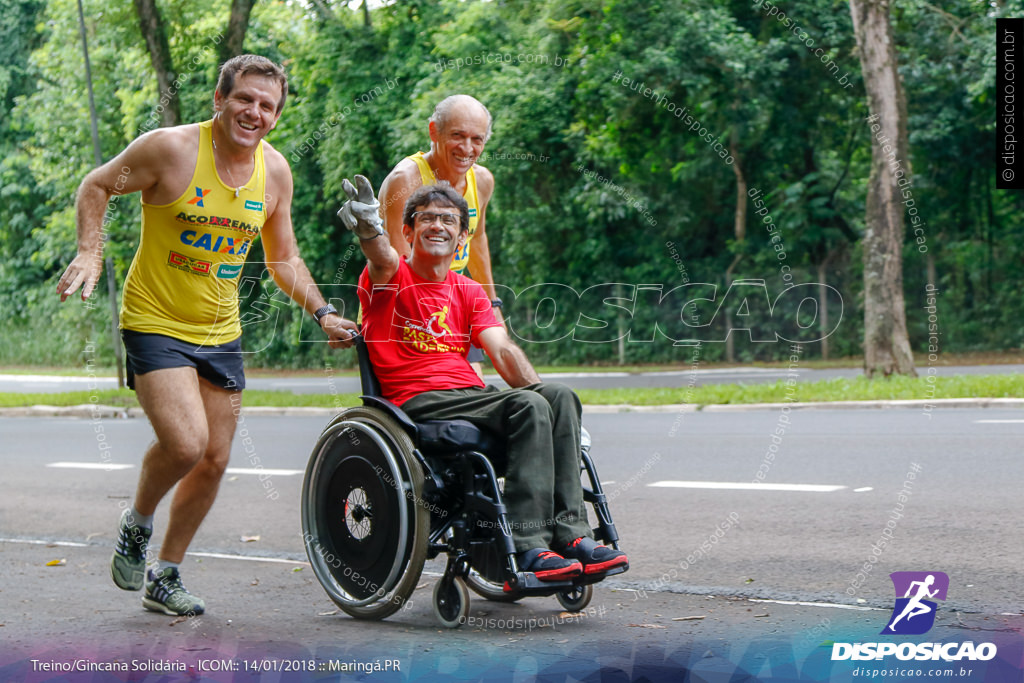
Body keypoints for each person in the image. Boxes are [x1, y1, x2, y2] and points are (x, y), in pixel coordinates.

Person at [56, 55, 358, 617]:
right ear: (219, 100)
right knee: (187, 443)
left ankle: (164, 576)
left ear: (276, 117)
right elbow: (97, 185)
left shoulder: (275, 173)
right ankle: (137, 522)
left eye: (267, 106)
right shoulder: (170, 150)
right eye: (244, 98)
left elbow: (283, 256)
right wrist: (90, 249)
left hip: (219, 330)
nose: (255, 112)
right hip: (154, 319)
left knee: (215, 459)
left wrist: (321, 313)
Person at [338, 176, 628, 579]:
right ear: (408, 231)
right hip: (416, 400)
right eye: (427, 218)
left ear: (461, 238)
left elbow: (503, 351)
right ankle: (529, 547)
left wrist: (555, 412)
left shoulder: (469, 291)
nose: (438, 225)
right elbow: (381, 257)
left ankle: (573, 536)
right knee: (526, 405)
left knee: (558, 396)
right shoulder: (390, 277)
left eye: (449, 220)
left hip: (467, 395)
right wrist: (370, 227)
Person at [377, 95, 500, 379]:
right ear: (434, 131)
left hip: (454, 304)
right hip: (405, 312)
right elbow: (400, 269)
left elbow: (477, 240)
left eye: (476, 139)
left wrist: (492, 305)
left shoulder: (481, 181)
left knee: (477, 392)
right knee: (447, 399)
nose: (467, 148)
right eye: (457, 136)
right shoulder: (405, 181)